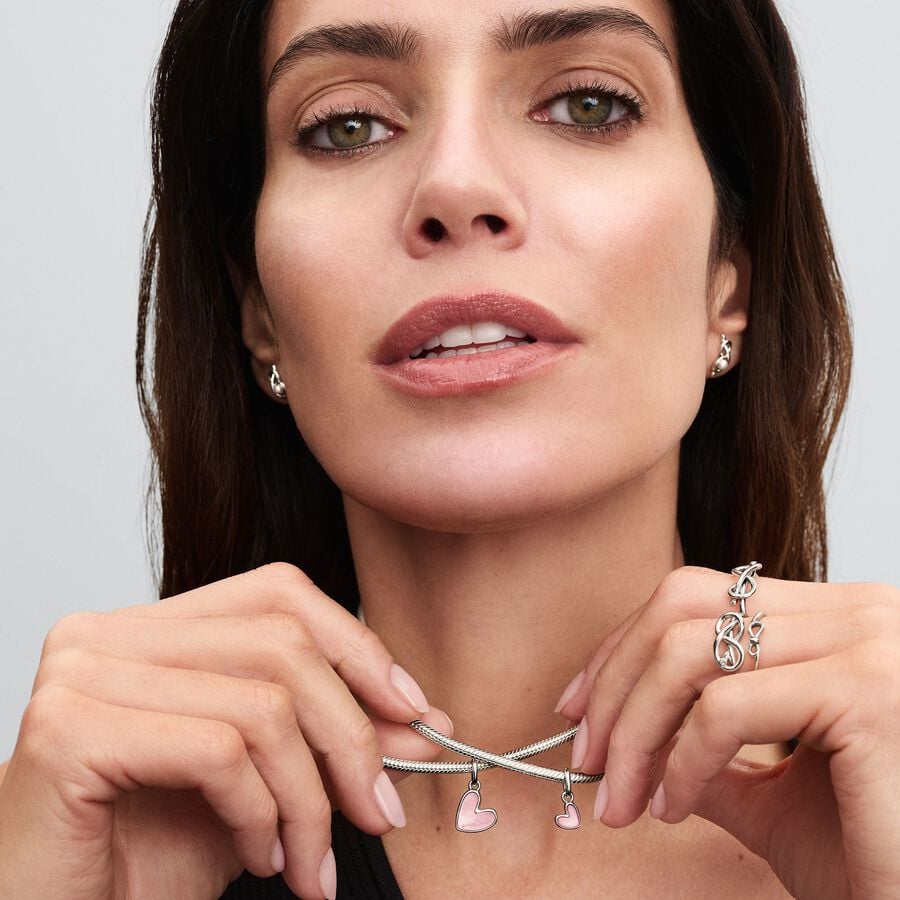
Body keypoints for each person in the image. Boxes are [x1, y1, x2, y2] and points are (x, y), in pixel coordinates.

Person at [0, 0, 897, 897]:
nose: (457, 188)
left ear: (728, 277)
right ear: (259, 310)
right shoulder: (88, 848)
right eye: (348, 126)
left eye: (587, 104)